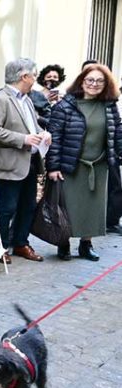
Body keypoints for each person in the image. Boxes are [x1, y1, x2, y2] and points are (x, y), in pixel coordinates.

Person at [46, 64, 122, 260]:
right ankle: (63, 243)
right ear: (82, 81)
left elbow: (117, 133)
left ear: (106, 84)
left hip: (99, 166)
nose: (94, 84)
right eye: (90, 80)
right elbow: (55, 137)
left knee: (92, 208)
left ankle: (85, 245)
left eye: (99, 81)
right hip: (72, 165)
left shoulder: (109, 105)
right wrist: (53, 166)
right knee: (68, 206)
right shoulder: (66, 105)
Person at [0, 58, 51, 264]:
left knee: (28, 205)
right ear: (24, 76)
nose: (35, 80)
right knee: (6, 208)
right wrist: (22, 139)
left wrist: (43, 133)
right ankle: (0, 246)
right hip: (9, 164)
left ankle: (21, 242)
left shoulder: (27, 100)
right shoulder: (0, 99)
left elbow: (32, 128)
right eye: (35, 76)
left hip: (30, 162)